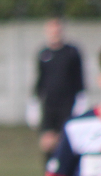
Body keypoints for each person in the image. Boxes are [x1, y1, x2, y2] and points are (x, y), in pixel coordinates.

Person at [34, 18, 87, 160]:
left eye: (57, 29)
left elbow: (79, 77)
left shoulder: (72, 52)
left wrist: (81, 99)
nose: (54, 33)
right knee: (47, 142)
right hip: (49, 104)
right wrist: (33, 101)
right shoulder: (43, 54)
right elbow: (40, 80)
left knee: (65, 141)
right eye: (51, 29)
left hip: (68, 103)